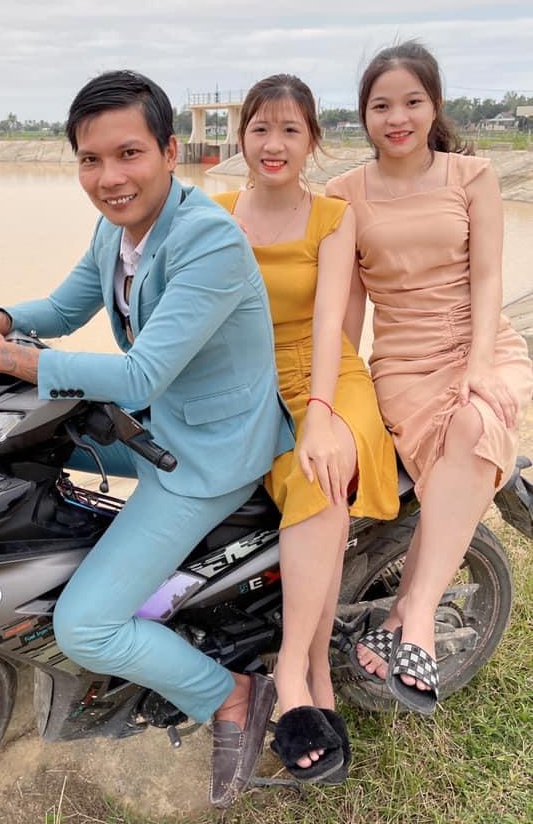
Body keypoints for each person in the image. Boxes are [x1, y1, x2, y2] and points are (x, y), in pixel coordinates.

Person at [0, 70, 294, 809]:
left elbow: (140, 373)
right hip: (156, 423)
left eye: (128, 154)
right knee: (17, 449)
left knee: (88, 627)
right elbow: (65, 307)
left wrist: (7, 358)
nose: (109, 178)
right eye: (90, 160)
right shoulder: (119, 229)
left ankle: (229, 694)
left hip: (207, 450)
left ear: (169, 151)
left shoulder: (209, 242)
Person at [326, 41, 533, 714]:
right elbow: (348, 310)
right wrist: (332, 396)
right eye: (381, 106)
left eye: (412, 102)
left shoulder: (472, 177)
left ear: (434, 105)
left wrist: (478, 365)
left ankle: (411, 615)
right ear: (364, 115)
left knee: (474, 420)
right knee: (462, 437)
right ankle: (405, 614)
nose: (397, 118)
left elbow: (489, 278)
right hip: (404, 363)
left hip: (483, 343)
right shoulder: (344, 194)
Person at [213, 74, 399, 782]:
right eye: (261, 128)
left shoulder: (332, 216)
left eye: (291, 129)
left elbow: (328, 325)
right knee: (310, 484)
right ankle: (319, 670)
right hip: (253, 380)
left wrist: (319, 415)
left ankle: (290, 672)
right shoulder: (217, 213)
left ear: (312, 140)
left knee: (321, 468)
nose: (274, 143)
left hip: (328, 375)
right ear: (242, 137)